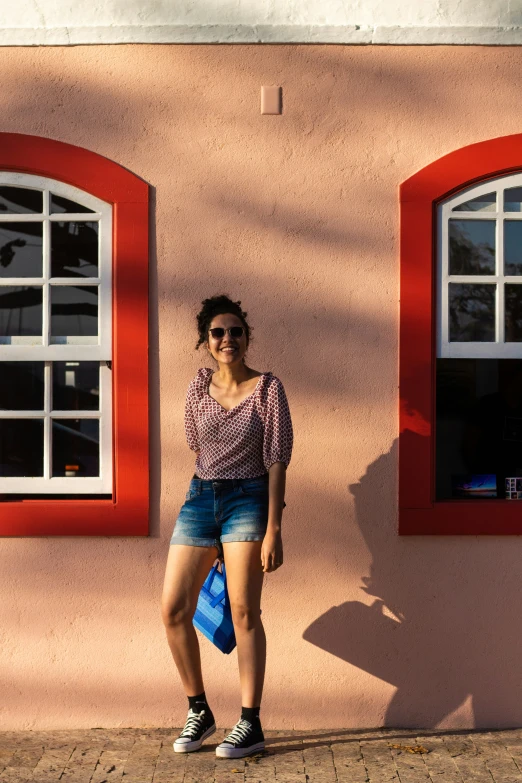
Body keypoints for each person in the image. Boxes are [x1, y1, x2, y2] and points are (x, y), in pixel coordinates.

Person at [161, 294, 293, 759]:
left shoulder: (268, 389)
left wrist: (274, 526)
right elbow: (195, 441)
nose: (227, 339)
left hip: (249, 500)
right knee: (173, 606)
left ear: (246, 337)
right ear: (205, 340)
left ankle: (250, 723)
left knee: (244, 612)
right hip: (201, 498)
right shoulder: (198, 387)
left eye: (235, 331)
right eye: (218, 332)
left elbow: (277, 458)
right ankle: (199, 709)